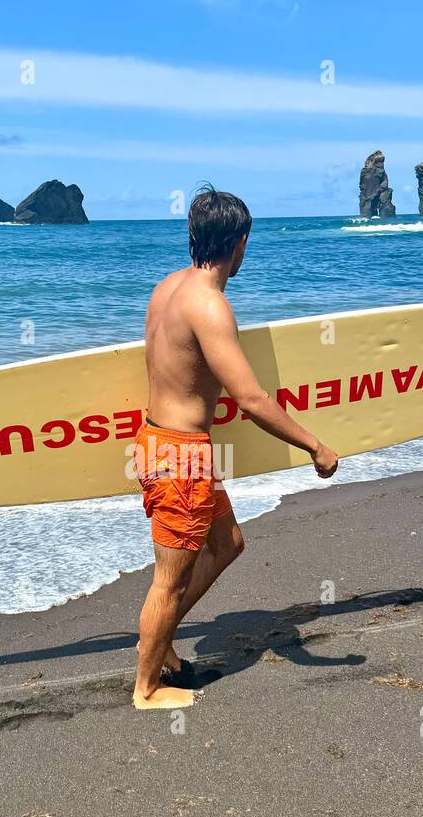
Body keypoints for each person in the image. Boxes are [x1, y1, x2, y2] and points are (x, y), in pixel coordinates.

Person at [132, 186, 339, 709]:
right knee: (169, 583)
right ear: (240, 242)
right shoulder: (211, 306)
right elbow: (249, 399)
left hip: (162, 441)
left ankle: (163, 648)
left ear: (194, 235)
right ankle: (148, 687)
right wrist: (315, 446)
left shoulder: (167, 289)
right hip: (179, 456)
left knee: (228, 545)